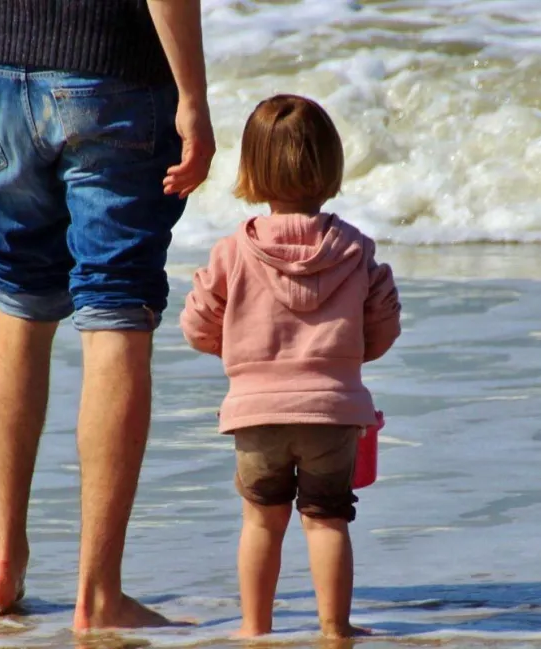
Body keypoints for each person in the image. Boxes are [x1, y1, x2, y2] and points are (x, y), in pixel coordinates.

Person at [0, 0, 215, 629]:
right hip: (111, 70)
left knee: (21, 297)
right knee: (115, 307)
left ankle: (1, 561)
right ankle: (99, 594)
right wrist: (192, 96)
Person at [179, 94, 401, 638]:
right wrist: (344, 361)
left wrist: (243, 358)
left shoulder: (233, 251)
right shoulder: (355, 249)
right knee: (327, 521)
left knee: (261, 520)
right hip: (333, 410)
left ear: (250, 169)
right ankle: (335, 628)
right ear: (331, 166)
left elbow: (196, 324)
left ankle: (254, 627)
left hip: (255, 414)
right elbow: (382, 329)